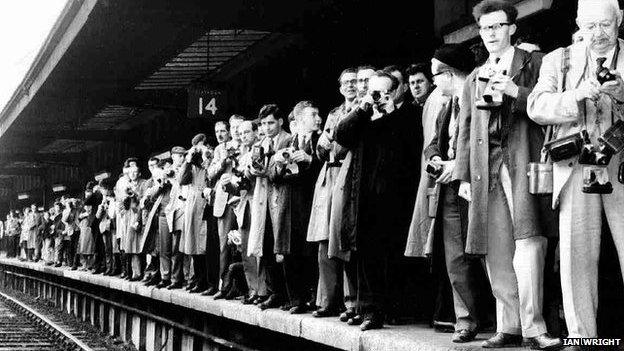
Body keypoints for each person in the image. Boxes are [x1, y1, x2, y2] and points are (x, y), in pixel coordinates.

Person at [454, 1, 561, 349]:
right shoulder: (473, 77)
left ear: (512, 28)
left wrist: (516, 92)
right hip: (487, 170)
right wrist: (465, 177)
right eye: (486, 28)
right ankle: (509, 324)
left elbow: (550, 106)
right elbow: (466, 132)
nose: (492, 34)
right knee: (495, 250)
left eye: (498, 26)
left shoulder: (534, 64)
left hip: (523, 161)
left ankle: (535, 327)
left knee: (530, 244)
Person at [527, 0, 624, 340]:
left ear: (620, 20)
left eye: (605, 25)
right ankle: (583, 336)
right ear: (579, 25)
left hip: (621, 167)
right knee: (575, 258)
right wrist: (575, 96)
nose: (598, 34)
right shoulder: (558, 59)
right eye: (590, 26)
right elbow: (536, 106)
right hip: (575, 166)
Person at [410, 43, 486, 342]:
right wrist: (436, 159)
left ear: (449, 74)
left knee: (488, 256)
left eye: (434, 75)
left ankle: (508, 321)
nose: (432, 82)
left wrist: (459, 164)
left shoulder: (477, 97)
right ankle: (465, 321)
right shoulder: (445, 106)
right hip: (451, 192)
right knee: (455, 259)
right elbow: (431, 144)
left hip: (479, 187)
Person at [335, 71, 422, 330]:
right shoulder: (361, 116)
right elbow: (341, 136)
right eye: (373, 91)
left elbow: (409, 145)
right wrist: (364, 109)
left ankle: (389, 309)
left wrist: (389, 112)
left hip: (395, 198)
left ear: (395, 92)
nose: (378, 97)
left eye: (383, 92)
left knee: (391, 255)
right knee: (365, 253)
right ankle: (368, 310)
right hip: (364, 197)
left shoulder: (405, 116)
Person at [307, 68, 359, 318]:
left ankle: (351, 302)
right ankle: (326, 300)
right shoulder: (334, 113)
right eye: (346, 83)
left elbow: (344, 144)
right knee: (324, 239)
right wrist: (320, 146)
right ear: (340, 88)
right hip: (329, 176)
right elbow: (323, 149)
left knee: (345, 238)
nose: (350, 86)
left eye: (354, 82)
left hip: (349, 173)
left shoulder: (361, 108)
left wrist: (332, 145)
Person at [266, 101, 322, 314]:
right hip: (288, 207)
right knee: (289, 252)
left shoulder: (319, 142)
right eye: (313, 115)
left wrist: (309, 160)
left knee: (310, 252)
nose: (318, 118)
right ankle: (295, 298)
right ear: (299, 120)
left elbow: (323, 169)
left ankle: (312, 297)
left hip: (310, 204)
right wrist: (280, 163)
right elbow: (271, 175)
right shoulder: (286, 143)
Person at [247, 104, 291, 310]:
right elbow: (251, 168)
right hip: (263, 198)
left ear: (280, 122)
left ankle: (285, 293)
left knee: (280, 247)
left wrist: (265, 171)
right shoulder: (260, 142)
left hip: (280, 198)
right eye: (263, 124)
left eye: (271, 122)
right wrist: (251, 169)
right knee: (265, 245)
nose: (267, 127)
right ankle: (274, 292)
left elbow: (282, 171)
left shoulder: (288, 140)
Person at [208, 117, 242, 299]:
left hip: (242, 196)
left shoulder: (245, 143)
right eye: (217, 132)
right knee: (224, 246)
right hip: (224, 200)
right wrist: (222, 162)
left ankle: (241, 287)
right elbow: (210, 174)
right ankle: (225, 286)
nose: (220, 135)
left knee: (242, 243)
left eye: (224, 131)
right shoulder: (220, 150)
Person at [228, 120, 260, 302]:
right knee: (246, 249)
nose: (242, 136)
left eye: (246, 132)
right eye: (240, 133)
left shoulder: (258, 150)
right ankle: (252, 290)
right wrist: (228, 186)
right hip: (244, 204)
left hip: (257, 201)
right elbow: (240, 187)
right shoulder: (241, 155)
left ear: (255, 132)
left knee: (257, 249)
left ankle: (262, 290)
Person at [179, 134, 213, 293]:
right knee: (193, 243)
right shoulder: (191, 164)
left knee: (203, 244)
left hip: (204, 202)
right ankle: (198, 278)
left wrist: (205, 154)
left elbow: (210, 172)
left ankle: (205, 280)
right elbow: (181, 180)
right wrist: (187, 160)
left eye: (200, 146)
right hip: (192, 204)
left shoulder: (210, 157)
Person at [163, 147, 188, 290]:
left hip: (186, 209)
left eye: (180, 156)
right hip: (177, 211)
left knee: (187, 246)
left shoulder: (188, 167)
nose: (179, 159)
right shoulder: (171, 170)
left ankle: (187, 277)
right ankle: (176, 278)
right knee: (176, 247)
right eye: (176, 156)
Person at [141, 157, 162, 285]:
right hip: (150, 217)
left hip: (160, 216)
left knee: (160, 246)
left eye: (155, 165)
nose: (152, 168)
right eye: (150, 166)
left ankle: (157, 274)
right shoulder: (147, 183)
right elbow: (143, 203)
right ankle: (150, 273)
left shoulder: (163, 179)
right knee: (150, 246)